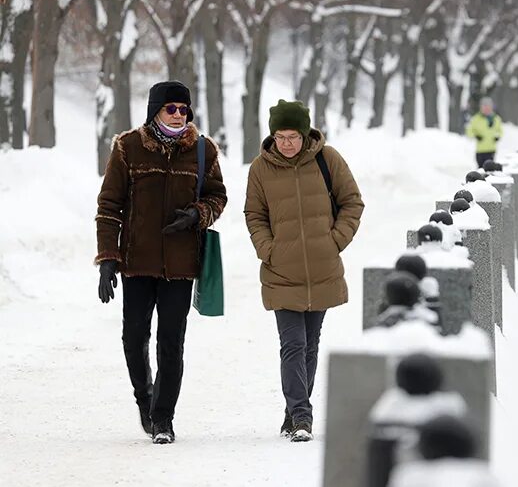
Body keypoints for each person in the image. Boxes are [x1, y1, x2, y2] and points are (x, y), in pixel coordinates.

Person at [95, 80, 228, 444]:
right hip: (137, 263)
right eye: (171, 108)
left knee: (172, 343)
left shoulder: (203, 150)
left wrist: (197, 215)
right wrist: (108, 259)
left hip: (180, 267)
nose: (178, 115)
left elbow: (218, 196)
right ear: (155, 110)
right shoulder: (128, 148)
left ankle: (164, 419)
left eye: (184, 109)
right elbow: (109, 207)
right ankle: (145, 398)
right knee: (133, 337)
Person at [244, 99, 364, 442]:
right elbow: (254, 214)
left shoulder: (329, 160)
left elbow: (352, 202)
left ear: (305, 133)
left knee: (310, 344)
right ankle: (301, 415)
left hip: (322, 269)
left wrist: (335, 241)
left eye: (292, 136)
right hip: (281, 272)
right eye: (280, 137)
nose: (286, 144)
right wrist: (269, 250)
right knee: (293, 344)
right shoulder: (260, 169)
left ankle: (293, 411)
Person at [465, 97, 503, 169]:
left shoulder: (496, 118)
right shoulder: (476, 119)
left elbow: (500, 131)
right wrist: (476, 136)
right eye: (484, 107)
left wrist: (497, 136)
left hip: (491, 149)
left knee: (490, 169)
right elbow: (469, 131)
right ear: (481, 108)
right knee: (481, 169)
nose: (486, 109)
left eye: (488, 107)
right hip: (480, 150)